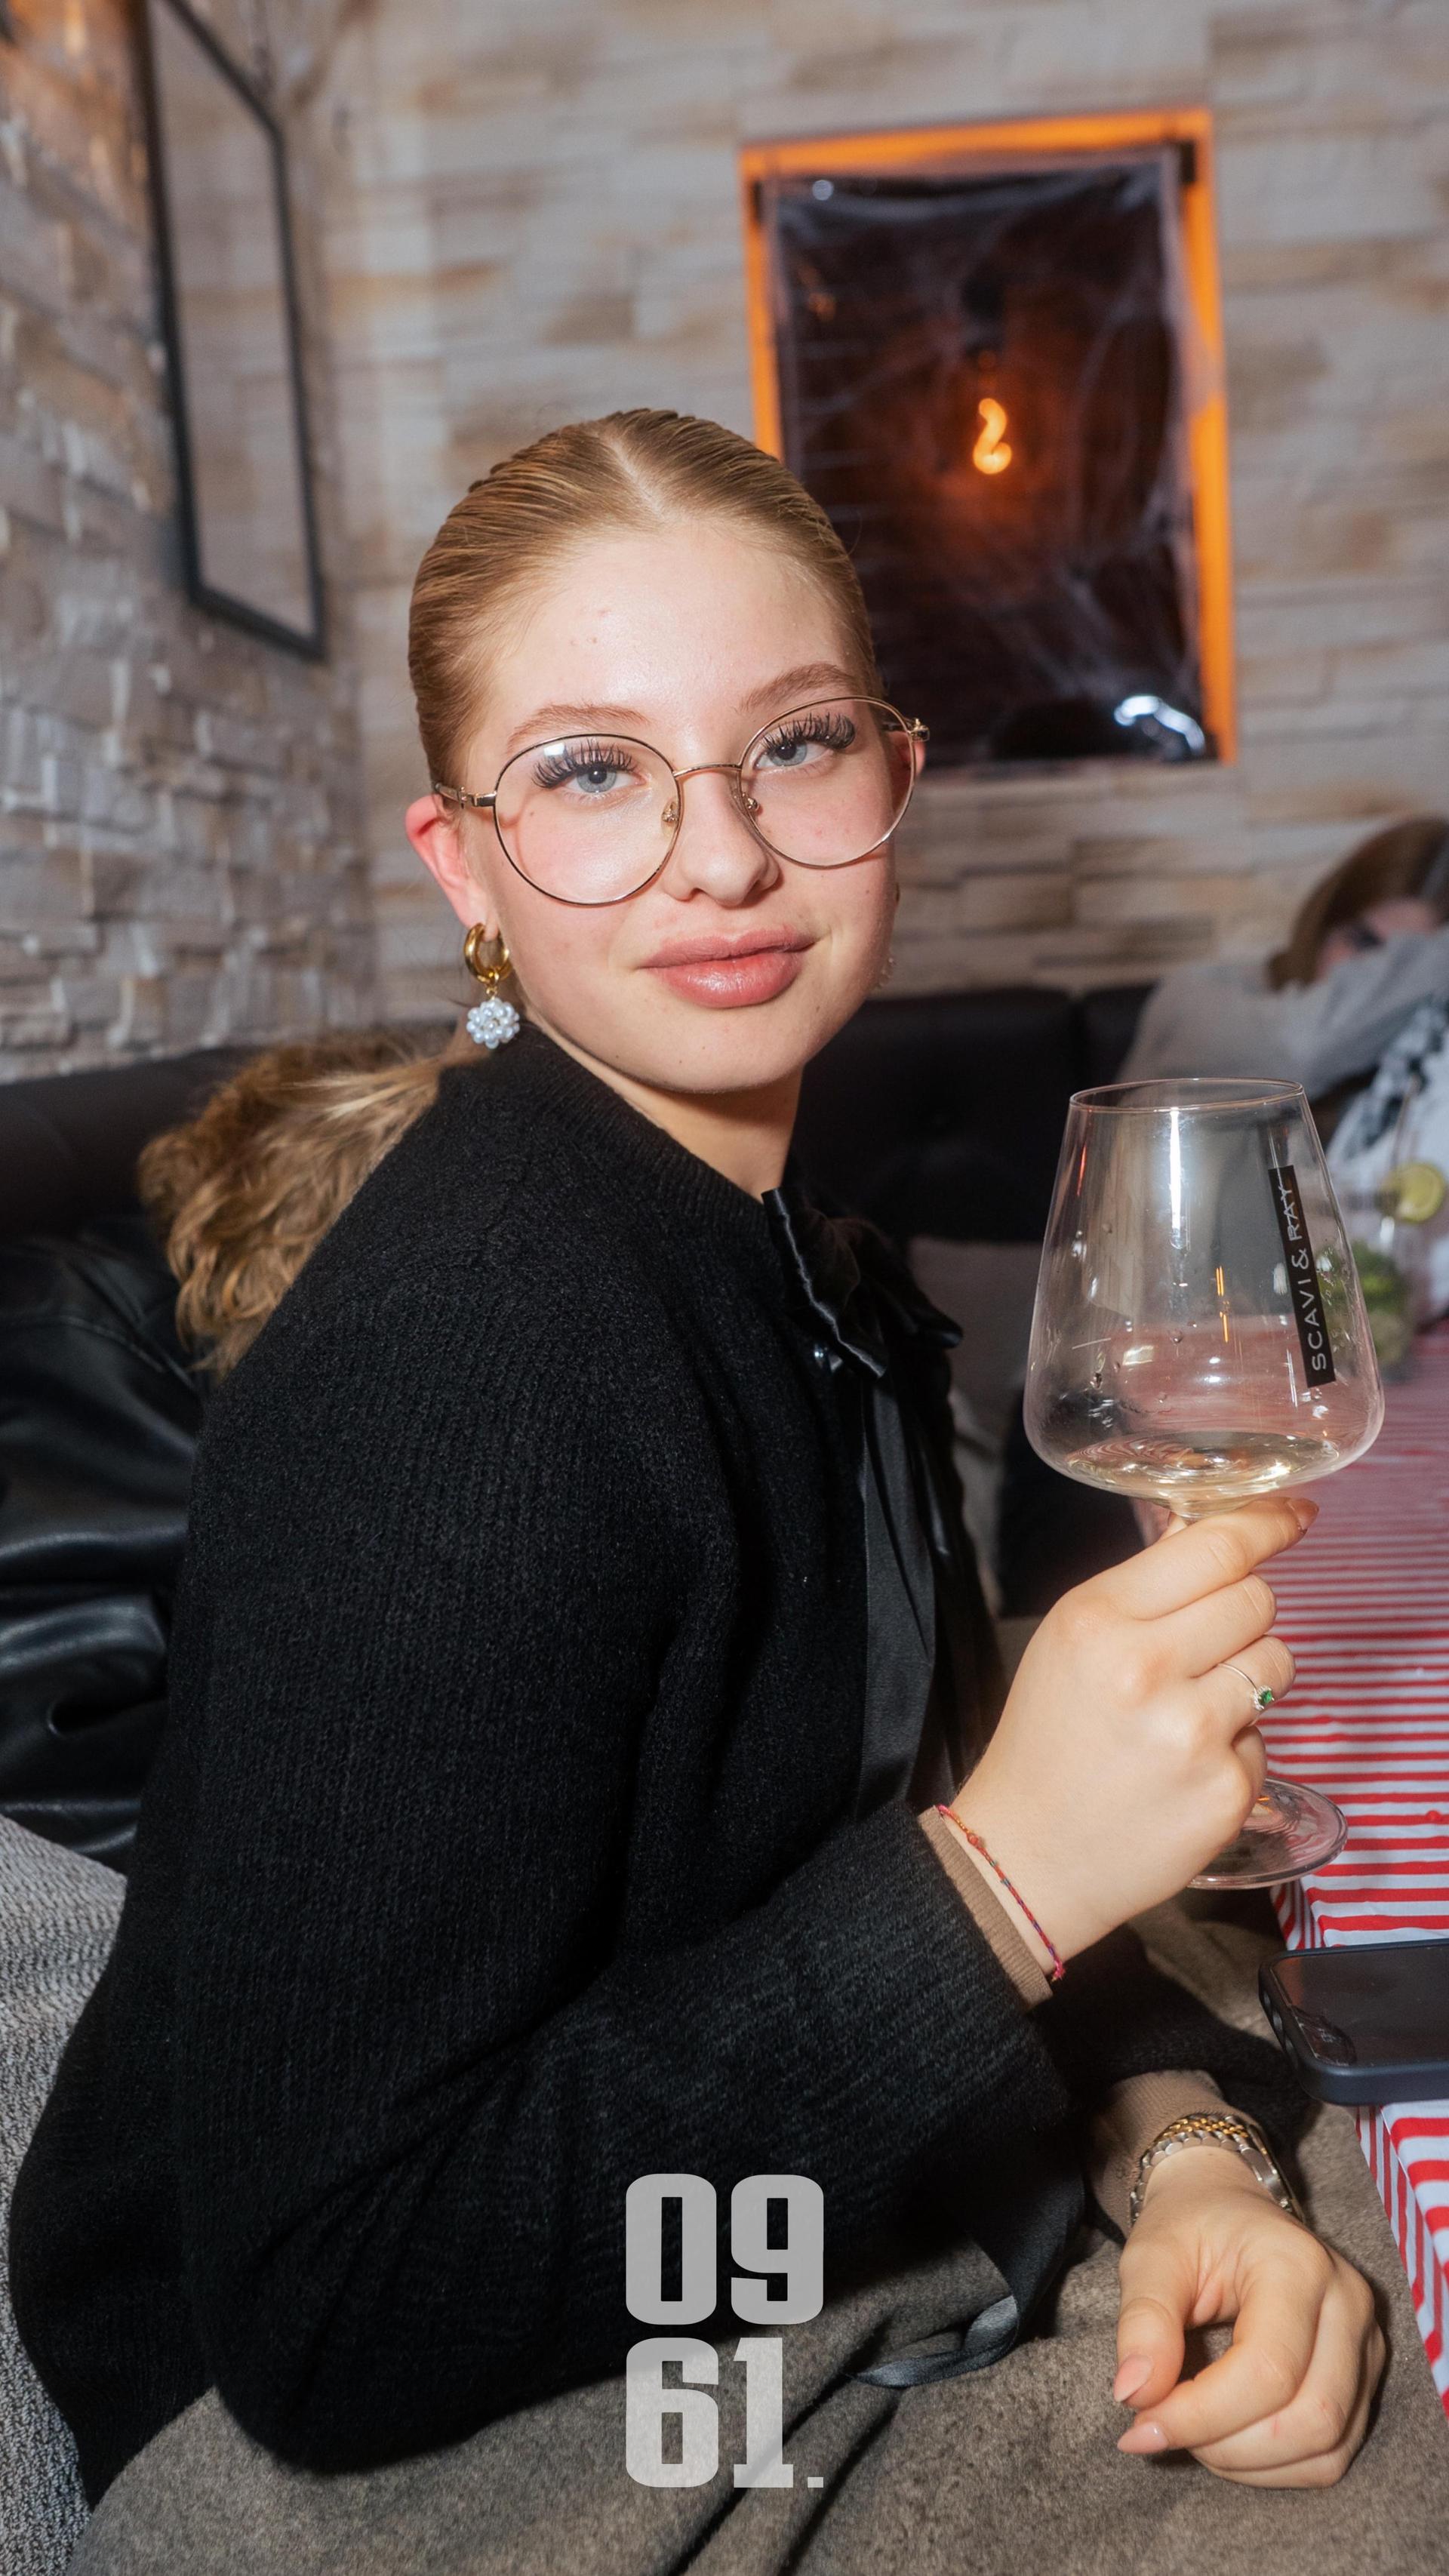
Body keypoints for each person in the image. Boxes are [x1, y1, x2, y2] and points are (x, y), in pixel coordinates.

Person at [10, 413, 1393, 2573]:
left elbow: (908, 1787)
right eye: (587, 769)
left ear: (897, 781)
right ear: (461, 864)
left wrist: (1189, 2138)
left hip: (705, 2251)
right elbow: (331, 2303)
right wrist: (1005, 1887)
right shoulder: (466, 1363)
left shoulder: (782, 1252)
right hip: (344, 2440)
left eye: (795, 745)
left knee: (1354, 2384)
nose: (719, 855)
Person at [1124, 814, 1449, 1096]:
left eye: (1403, 968)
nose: (1365, 976)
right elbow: (1304, 1050)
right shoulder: (1194, 996)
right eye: (1361, 941)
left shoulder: (1400, 1067)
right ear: (1324, 921)